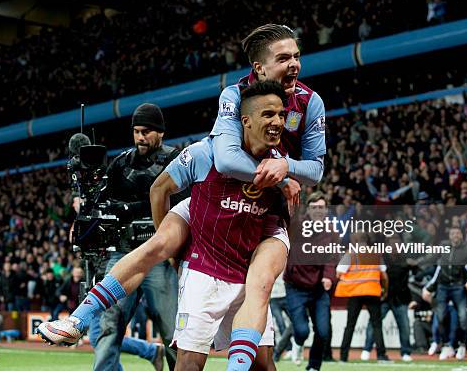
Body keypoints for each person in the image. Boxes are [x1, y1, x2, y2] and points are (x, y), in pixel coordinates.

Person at [38, 24, 325, 370]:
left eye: (297, 56)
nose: (294, 64)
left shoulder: (309, 103)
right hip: (211, 221)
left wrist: (286, 167)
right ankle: (78, 320)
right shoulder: (216, 133)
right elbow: (215, 164)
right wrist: (280, 176)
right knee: (157, 246)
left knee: (261, 320)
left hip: (263, 219)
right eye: (284, 58)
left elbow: (315, 169)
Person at [153, 80, 294, 370]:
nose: (278, 122)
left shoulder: (278, 166)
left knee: (264, 364)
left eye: (281, 115)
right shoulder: (206, 152)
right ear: (246, 120)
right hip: (204, 273)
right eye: (268, 114)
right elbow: (158, 190)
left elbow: (282, 222)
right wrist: (169, 250)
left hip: (248, 278)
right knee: (190, 363)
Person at [39, 103, 181, 371]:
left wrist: (128, 208)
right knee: (107, 327)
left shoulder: (176, 160)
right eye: (137, 131)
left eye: (147, 131)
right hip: (123, 253)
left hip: (161, 256)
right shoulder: (121, 163)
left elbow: (182, 205)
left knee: (172, 331)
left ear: (161, 132)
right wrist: (83, 208)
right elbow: (100, 202)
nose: (140, 137)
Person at [283, 191, 334, 371]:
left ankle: (313, 366)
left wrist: (328, 276)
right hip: (295, 286)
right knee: (302, 331)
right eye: (314, 208)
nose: (318, 211)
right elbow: (290, 214)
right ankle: (297, 343)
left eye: (321, 208)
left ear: (327, 210)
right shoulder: (298, 224)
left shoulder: (331, 231)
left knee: (323, 331)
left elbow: (332, 257)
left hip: (319, 288)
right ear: (308, 210)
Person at [422, 227, 467, 361]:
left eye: (458, 233)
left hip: (458, 286)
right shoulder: (443, 246)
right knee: (440, 316)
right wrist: (417, 262)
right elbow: (432, 261)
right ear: (449, 235)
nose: (455, 236)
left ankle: (462, 345)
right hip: (442, 287)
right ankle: (446, 345)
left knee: (462, 317)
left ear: (462, 235)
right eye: (452, 233)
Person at [336, 232, 391, 363]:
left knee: (350, 325)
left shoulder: (351, 253)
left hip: (354, 293)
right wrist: (385, 291)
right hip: (372, 292)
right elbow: (384, 276)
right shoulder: (375, 253)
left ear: (354, 240)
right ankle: (381, 356)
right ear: (367, 239)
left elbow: (339, 272)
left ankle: (343, 357)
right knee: (377, 325)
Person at [361, 234, 414, 362]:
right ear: (387, 244)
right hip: (383, 297)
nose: (395, 245)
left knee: (405, 326)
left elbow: (416, 273)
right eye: (392, 242)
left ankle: (405, 352)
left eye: (397, 242)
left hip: (400, 298)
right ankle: (366, 349)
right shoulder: (381, 258)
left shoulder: (406, 259)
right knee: (373, 323)